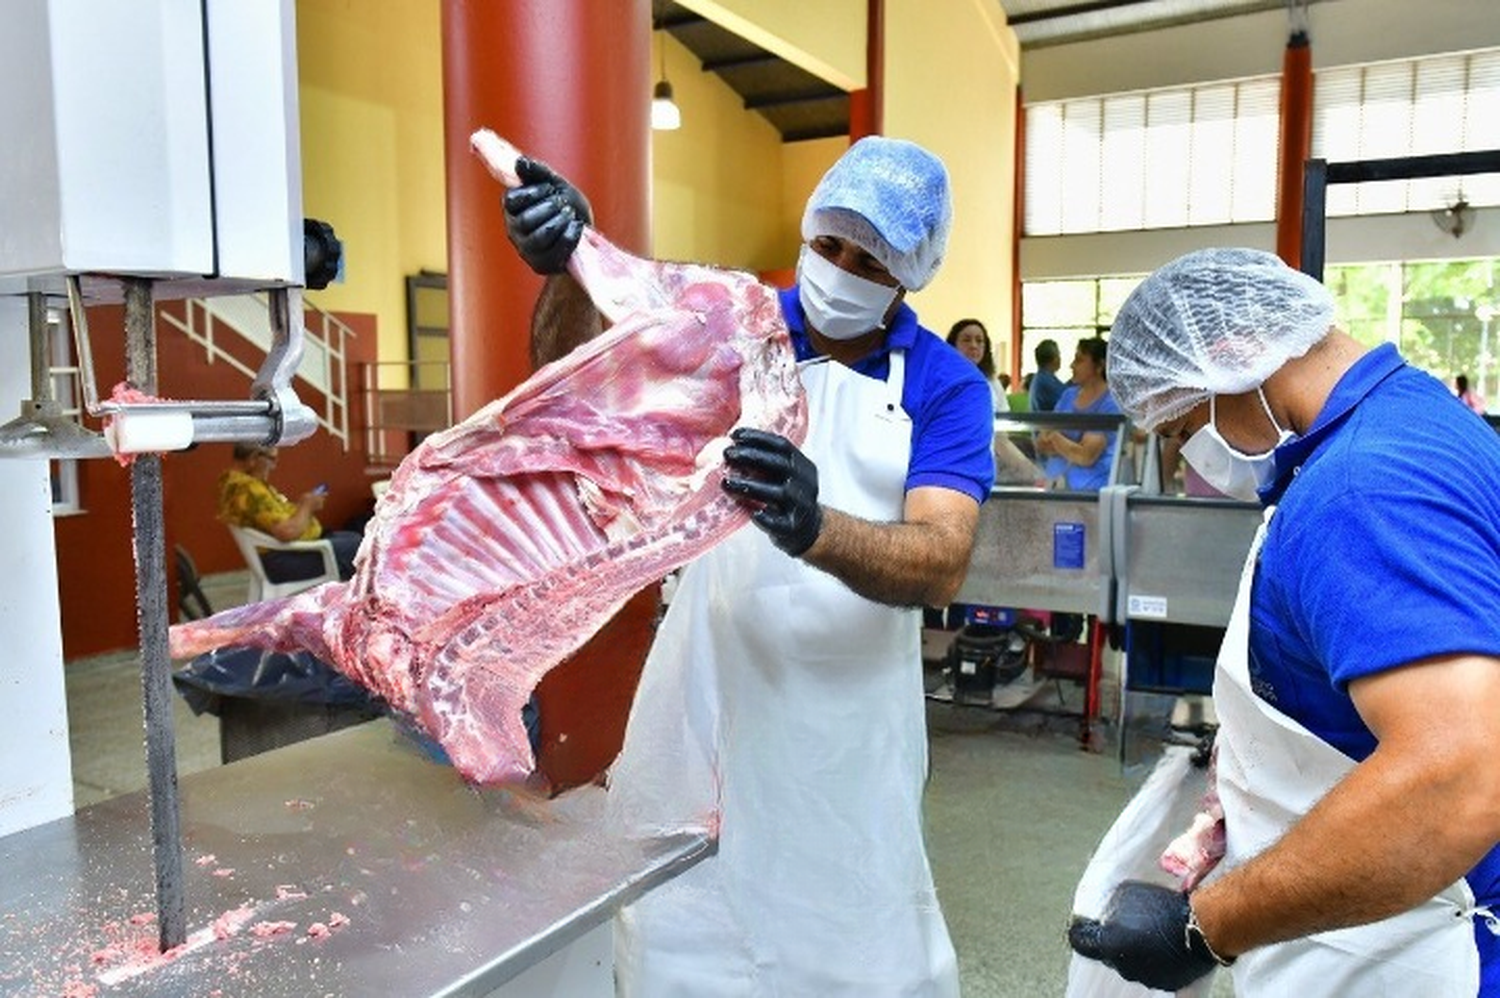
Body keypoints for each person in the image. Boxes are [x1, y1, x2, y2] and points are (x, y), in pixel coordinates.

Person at [502, 136, 994, 996]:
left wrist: (814, 526)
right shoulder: (738, 325)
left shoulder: (945, 386)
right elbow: (574, 376)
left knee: (851, 933)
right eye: (830, 243)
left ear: (910, 275)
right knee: (683, 930)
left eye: (869, 258)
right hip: (709, 687)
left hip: (847, 719)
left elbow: (942, 559)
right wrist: (566, 268)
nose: (839, 269)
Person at [1068, 248, 1500, 995]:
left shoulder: (1361, 487)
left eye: (1178, 430)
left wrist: (1207, 926)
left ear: (1233, 357)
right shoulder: (1413, 418)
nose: (1189, 458)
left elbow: (1459, 776)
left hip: (1419, 953)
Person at [216, 443, 362, 581]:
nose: (274, 465)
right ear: (253, 458)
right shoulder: (248, 489)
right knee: (359, 547)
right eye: (272, 459)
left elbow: (273, 517)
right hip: (282, 560)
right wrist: (307, 506)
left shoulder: (236, 483)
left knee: (351, 538)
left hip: (281, 554)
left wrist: (301, 506)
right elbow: (287, 532)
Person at [1034, 337, 1121, 490]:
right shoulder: (1068, 395)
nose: (1072, 365)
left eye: (1079, 360)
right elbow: (1041, 443)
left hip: (1090, 495)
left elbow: (1086, 456)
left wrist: (1055, 437)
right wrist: (1073, 446)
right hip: (1053, 489)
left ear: (1099, 366)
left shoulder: (1111, 402)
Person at [947, 317, 1009, 415]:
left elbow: (1004, 416)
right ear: (953, 346)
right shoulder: (942, 380)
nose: (974, 346)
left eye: (979, 341)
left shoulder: (992, 381)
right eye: (966, 340)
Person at [1028, 337, 1067, 412]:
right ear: (1054, 359)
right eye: (1058, 355)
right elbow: (1068, 398)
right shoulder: (1045, 381)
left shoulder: (1041, 378)